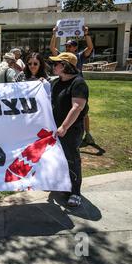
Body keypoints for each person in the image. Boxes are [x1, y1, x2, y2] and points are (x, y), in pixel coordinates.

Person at [49, 53, 89, 208]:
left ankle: (75, 192)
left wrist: (64, 127)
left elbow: (77, 107)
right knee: (59, 159)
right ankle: (64, 187)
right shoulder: (56, 82)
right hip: (55, 129)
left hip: (71, 130)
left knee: (71, 159)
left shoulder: (78, 84)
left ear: (65, 66)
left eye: (56, 64)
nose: (53, 66)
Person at [50, 26, 95, 146]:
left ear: (75, 47)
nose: (67, 48)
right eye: (66, 46)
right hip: (65, 84)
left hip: (76, 88)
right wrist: (54, 34)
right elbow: (52, 49)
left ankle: (88, 133)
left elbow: (90, 47)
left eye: (69, 46)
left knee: (82, 111)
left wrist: (86, 34)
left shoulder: (79, 57)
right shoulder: (62, 57)